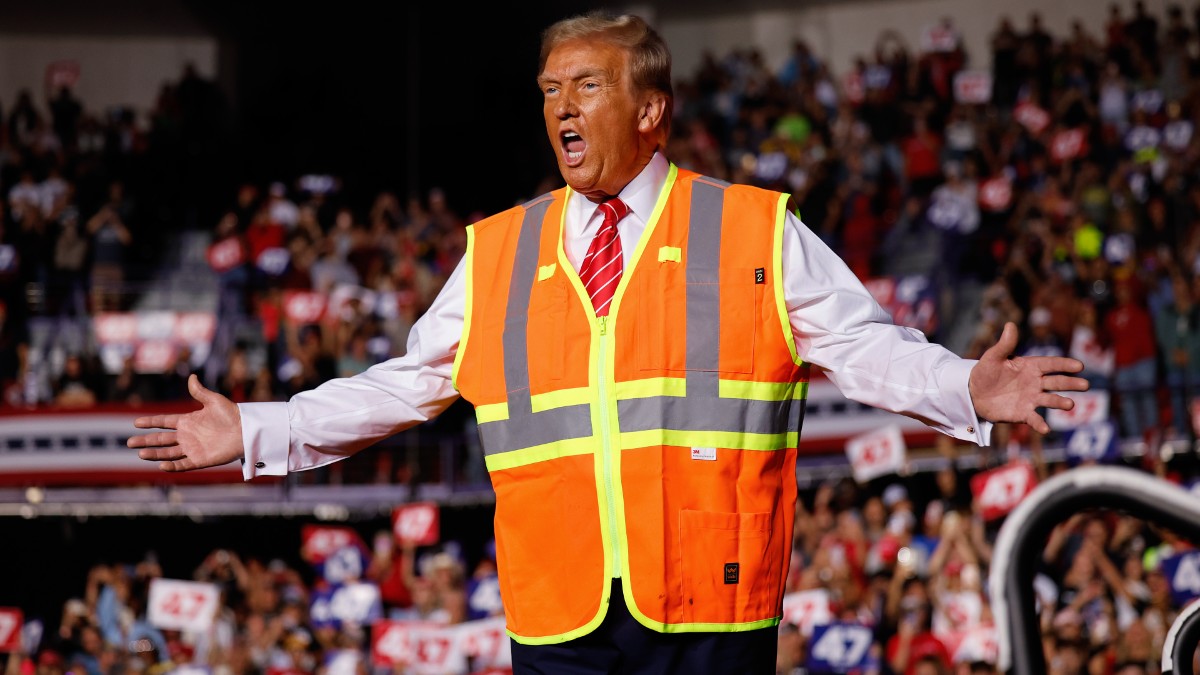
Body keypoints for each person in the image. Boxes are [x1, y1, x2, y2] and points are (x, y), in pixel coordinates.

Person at [129, 12, 1088, 674]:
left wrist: (968, 386)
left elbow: (867, 347)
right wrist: (256, 431)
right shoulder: (498, 250)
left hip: (711, 607)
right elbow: (404, 384)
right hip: (558, 614)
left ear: (651, 108)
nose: (561, 108)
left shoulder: (750, 229)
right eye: (551, 89)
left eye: (587, 86)